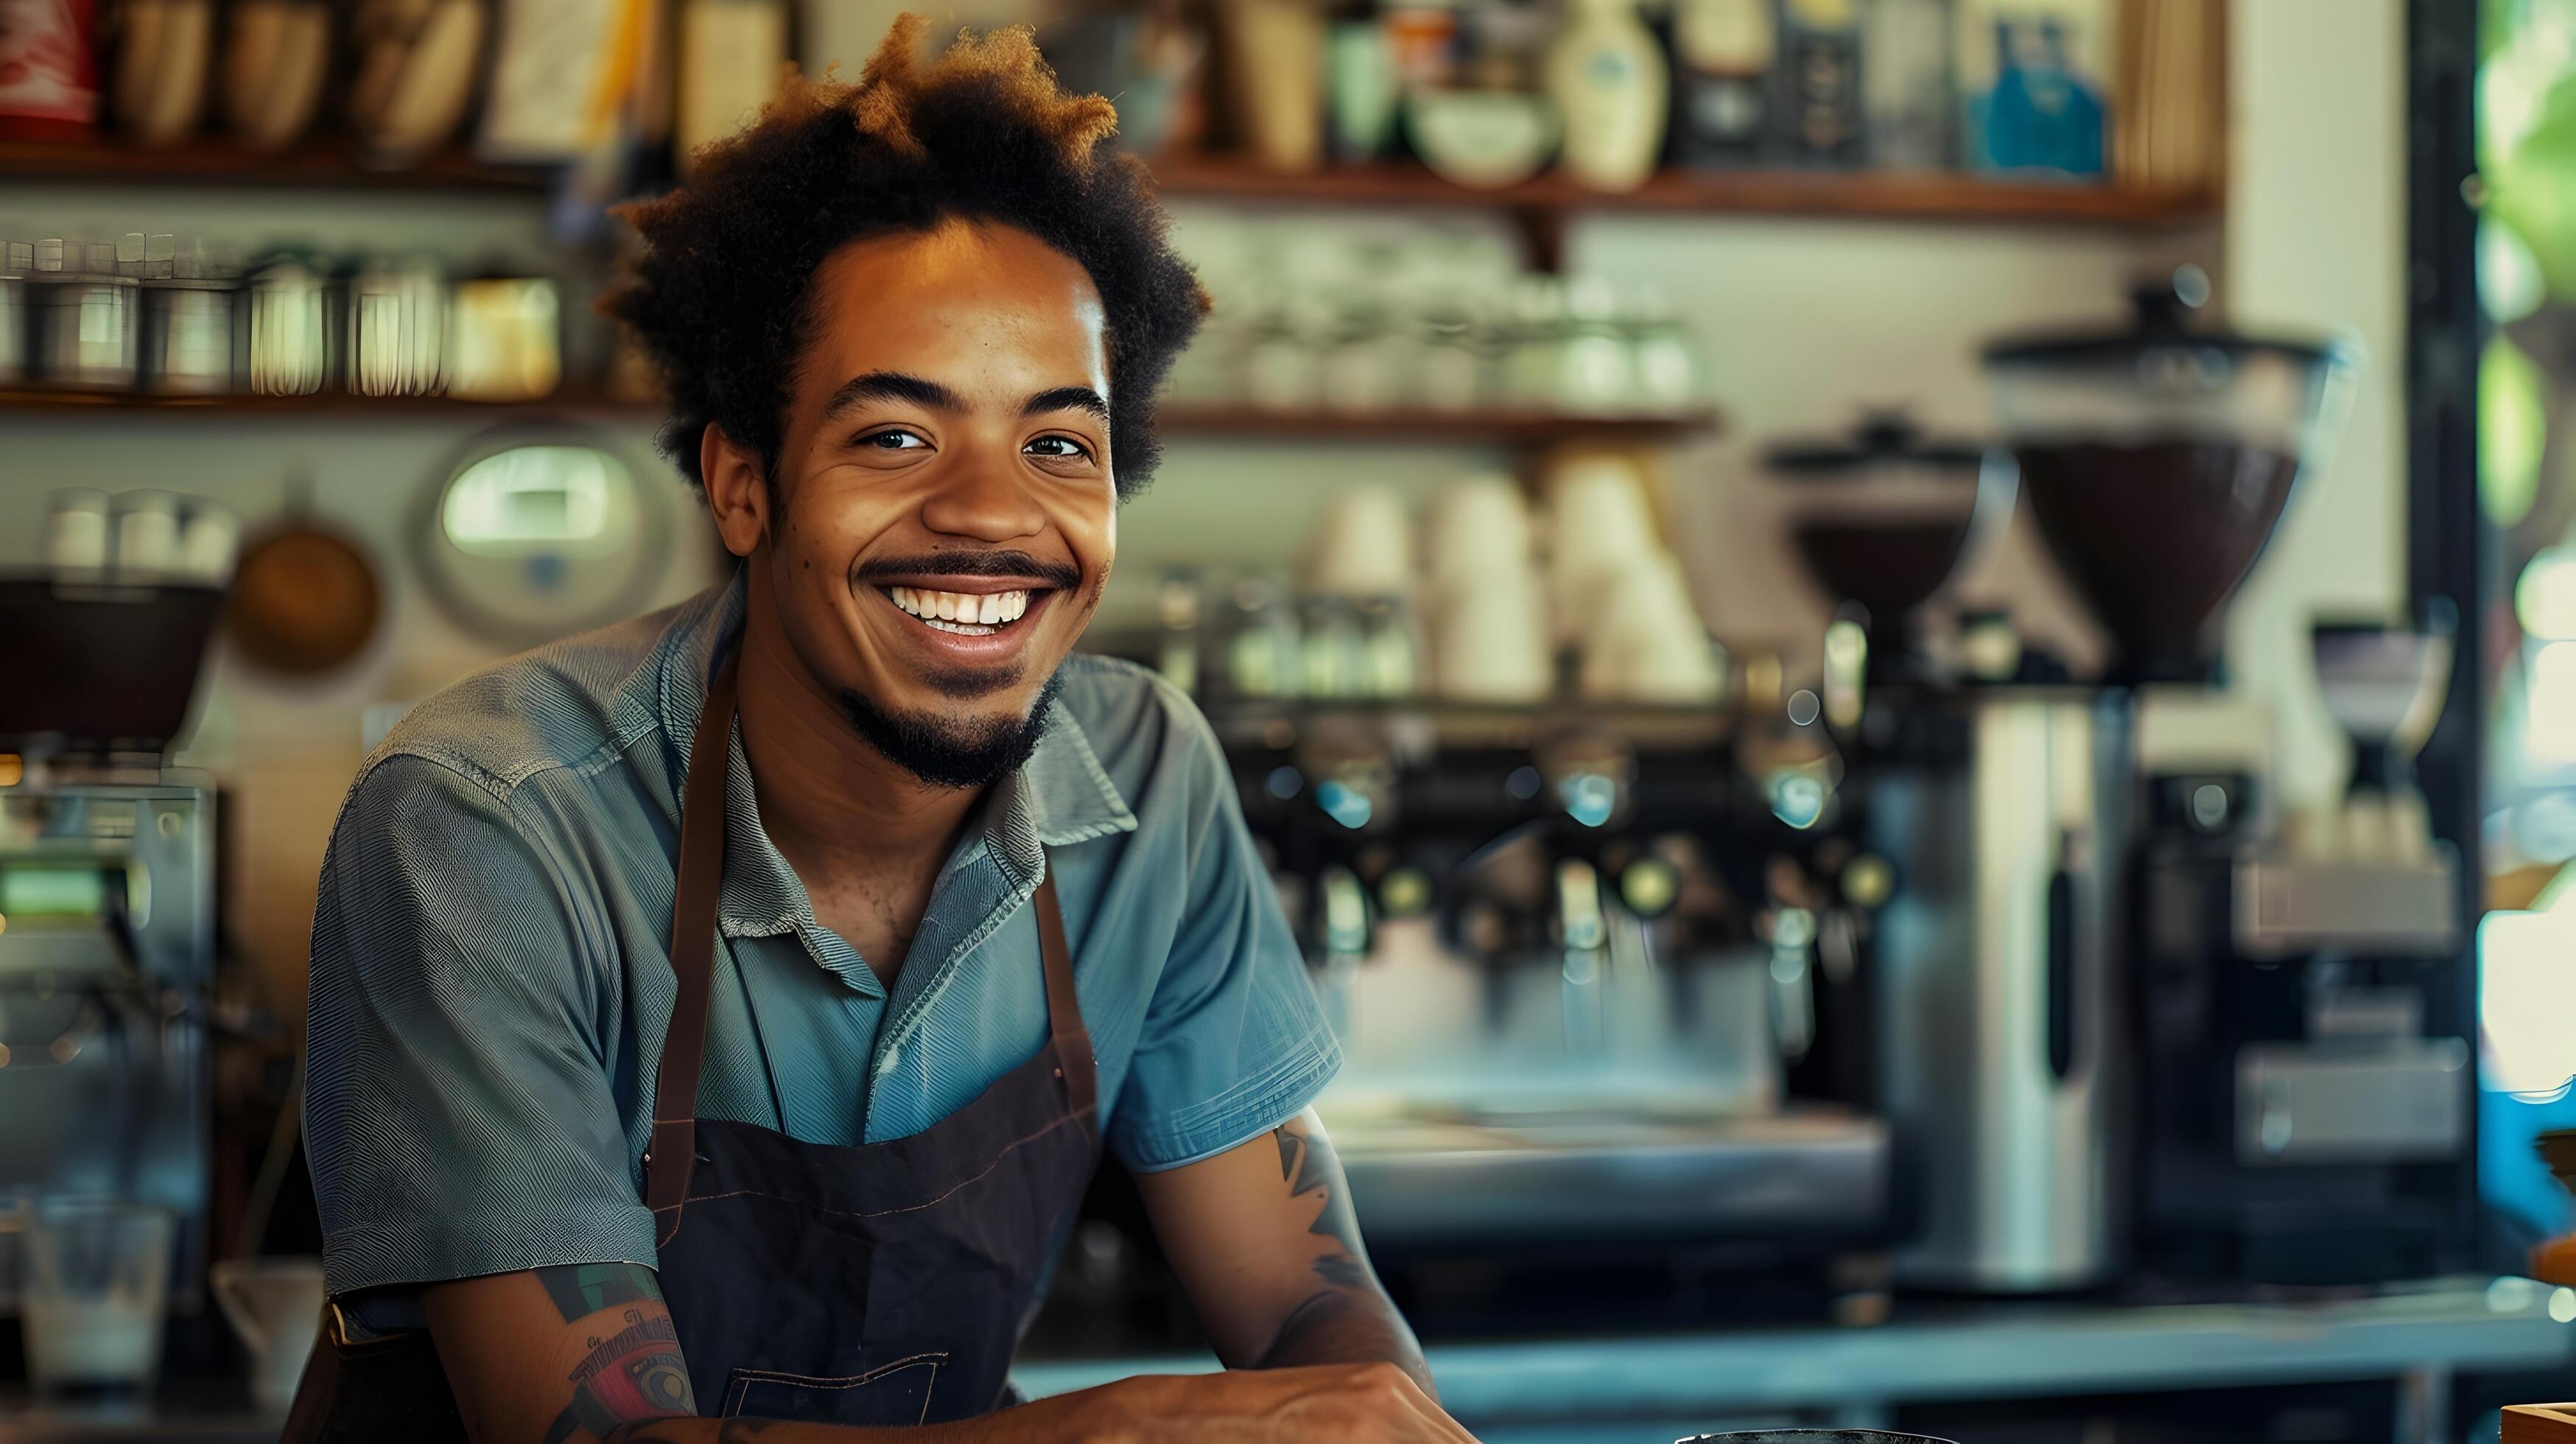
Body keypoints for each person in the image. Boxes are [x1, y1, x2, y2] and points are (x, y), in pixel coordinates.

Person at [287, 18, 1474, 1443]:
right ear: (742, 486)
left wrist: (1363, 1407)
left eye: (1059, 443)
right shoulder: (488, 821)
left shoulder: (1147, 779)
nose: (990, 512)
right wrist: (1131, 1432)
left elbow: (1298, 1303)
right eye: (895, 437)